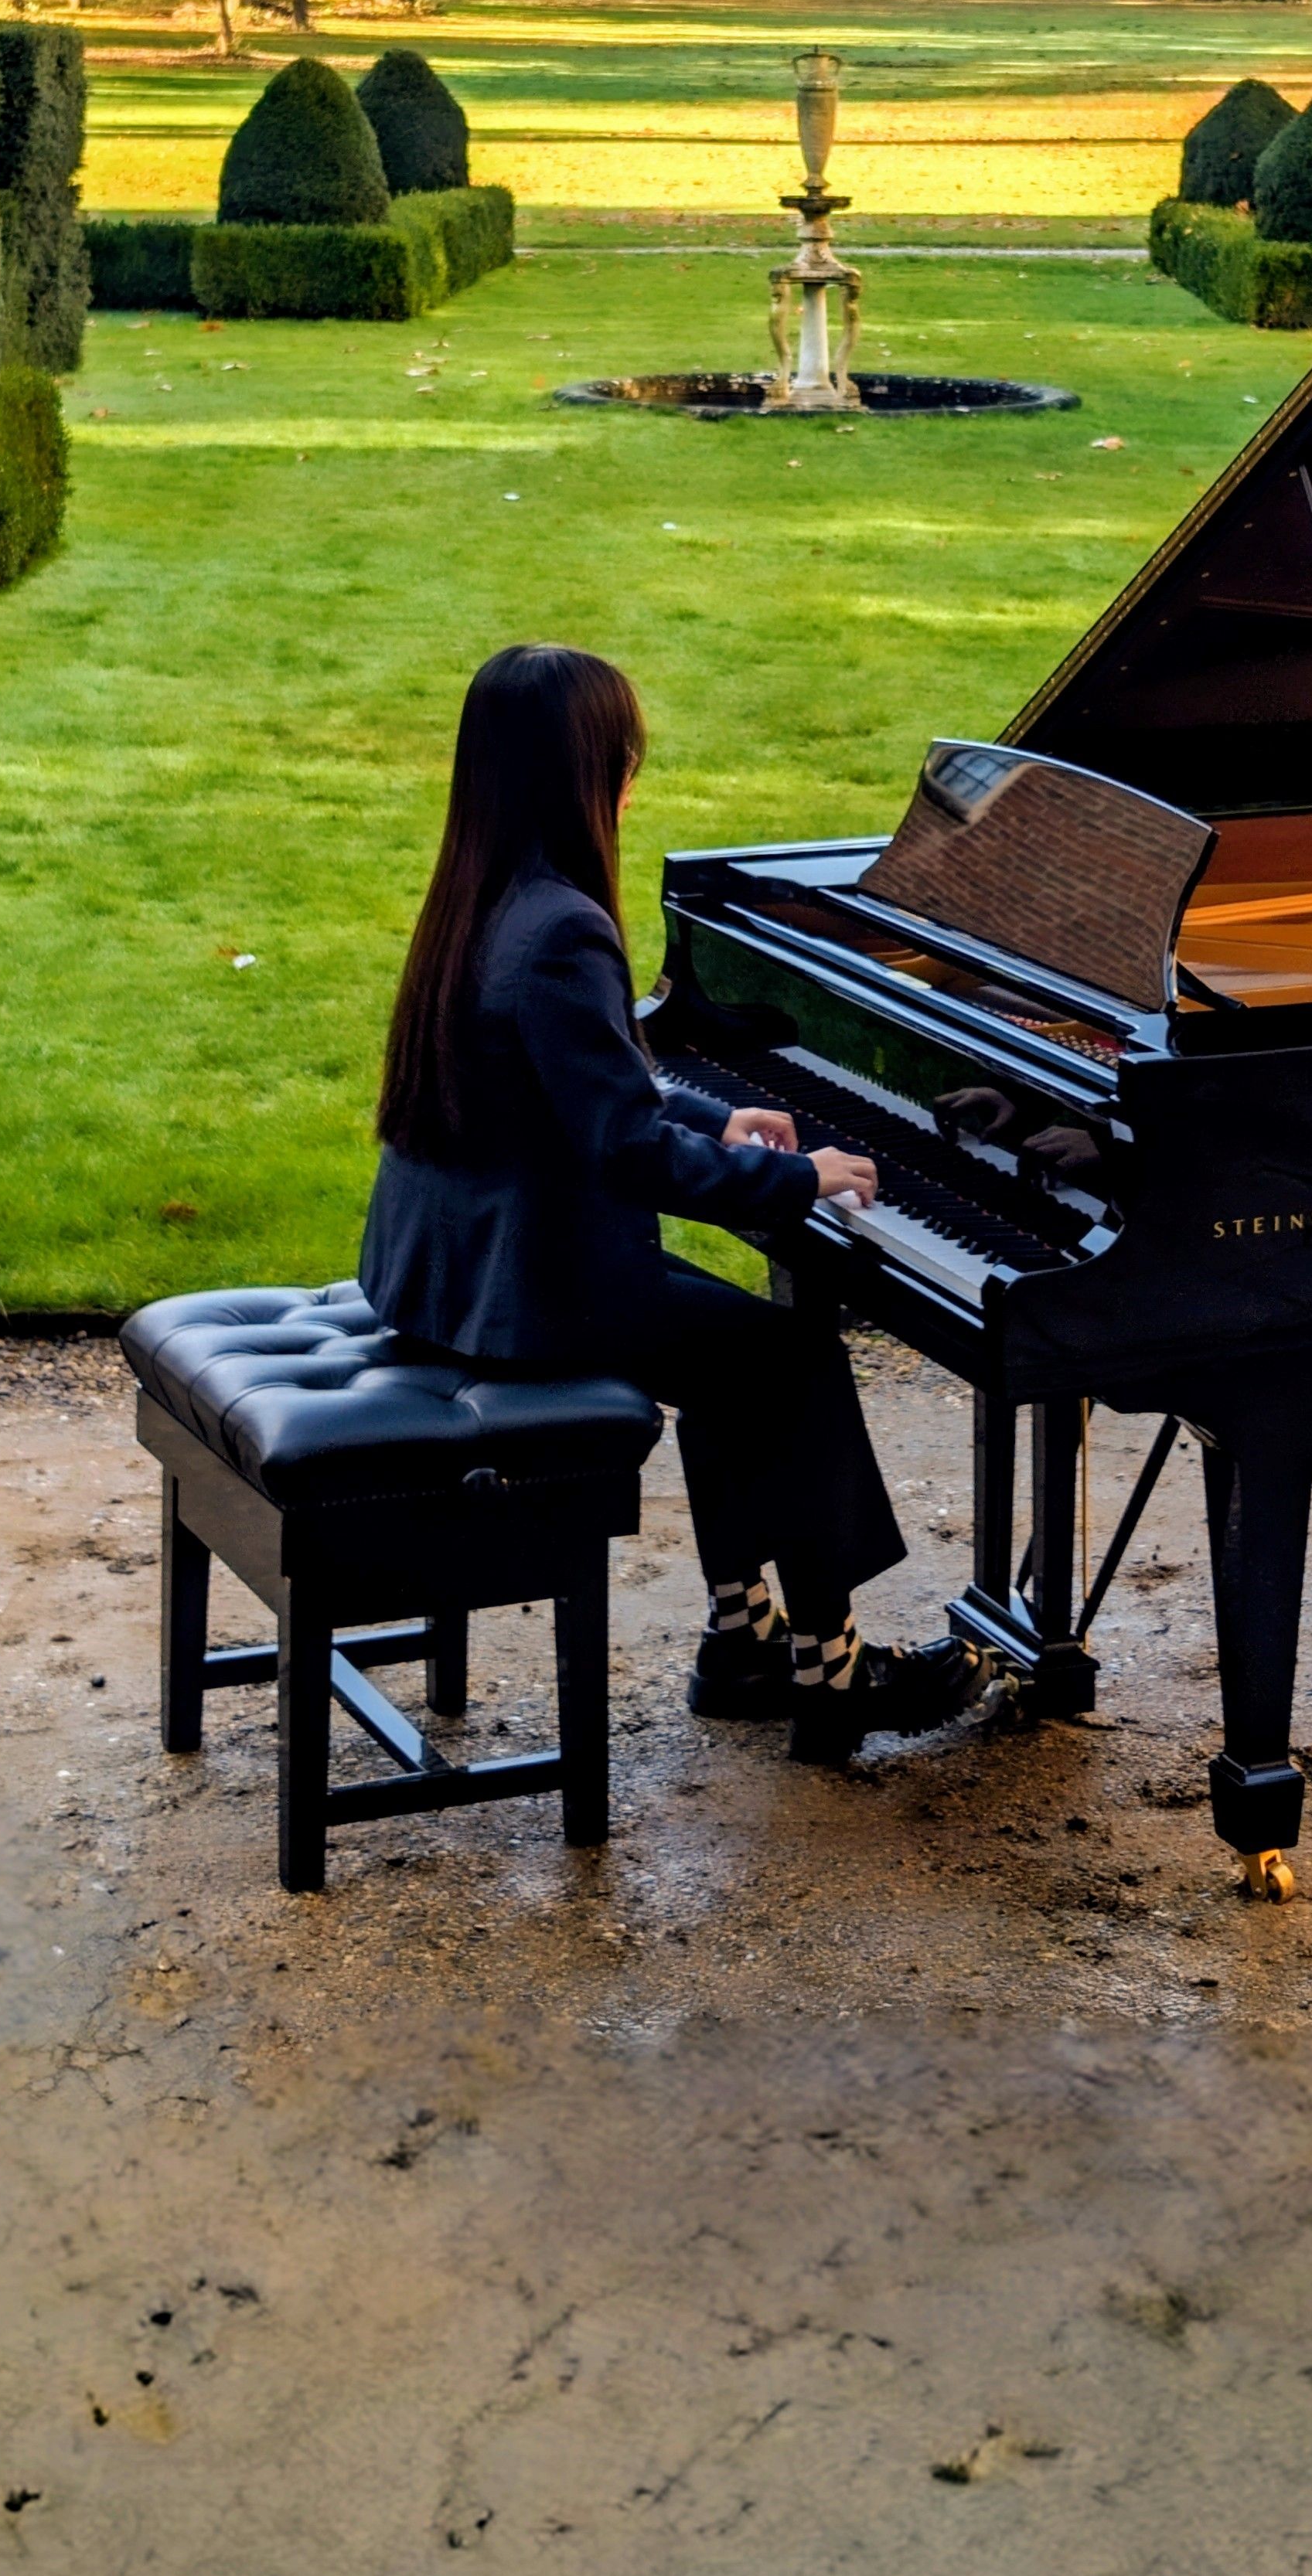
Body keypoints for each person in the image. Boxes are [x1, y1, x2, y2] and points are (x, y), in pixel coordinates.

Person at [363, 641, 970, 1751]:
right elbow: (625, 1156)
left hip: (454, 1269)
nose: (635, 773)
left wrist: (714, 1118)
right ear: (595, 774)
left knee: (734, 1356)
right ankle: (831, 1677)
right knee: (787, 1360)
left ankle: (742, 1638)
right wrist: (799, 1173)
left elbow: (584, 1093)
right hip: (530, 1297)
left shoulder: (483, 892)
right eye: (626, 754)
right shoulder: (563, 929)